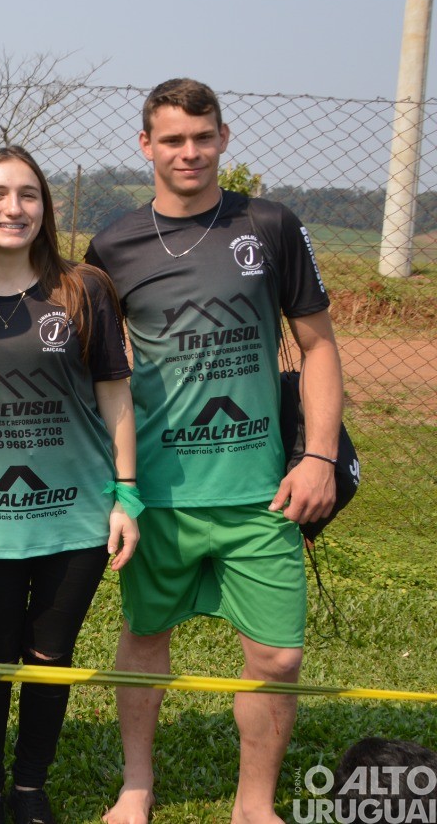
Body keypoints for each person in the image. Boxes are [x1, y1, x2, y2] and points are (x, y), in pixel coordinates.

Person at [85, 78, 343, 824]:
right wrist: (117, 482)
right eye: (172, 139)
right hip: (158, 492)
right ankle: (137, 785)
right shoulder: (113, 245)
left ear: (224, 138)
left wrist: (319, 456)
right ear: (146, 146)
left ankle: (252, 803)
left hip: (263, 490)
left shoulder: (269, 224)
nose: (189, 152)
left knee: (279, 658)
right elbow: (98, 369)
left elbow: (318, 345)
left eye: (203, 137)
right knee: (144, 638)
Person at [0, 146, 140, 824]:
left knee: (50, 654)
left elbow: (116, 395)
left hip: (75, 515)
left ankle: (30, 789)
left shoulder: (83, 289)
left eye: (28, 194)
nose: (14, 208)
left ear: (46, 206)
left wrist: (126, 494)